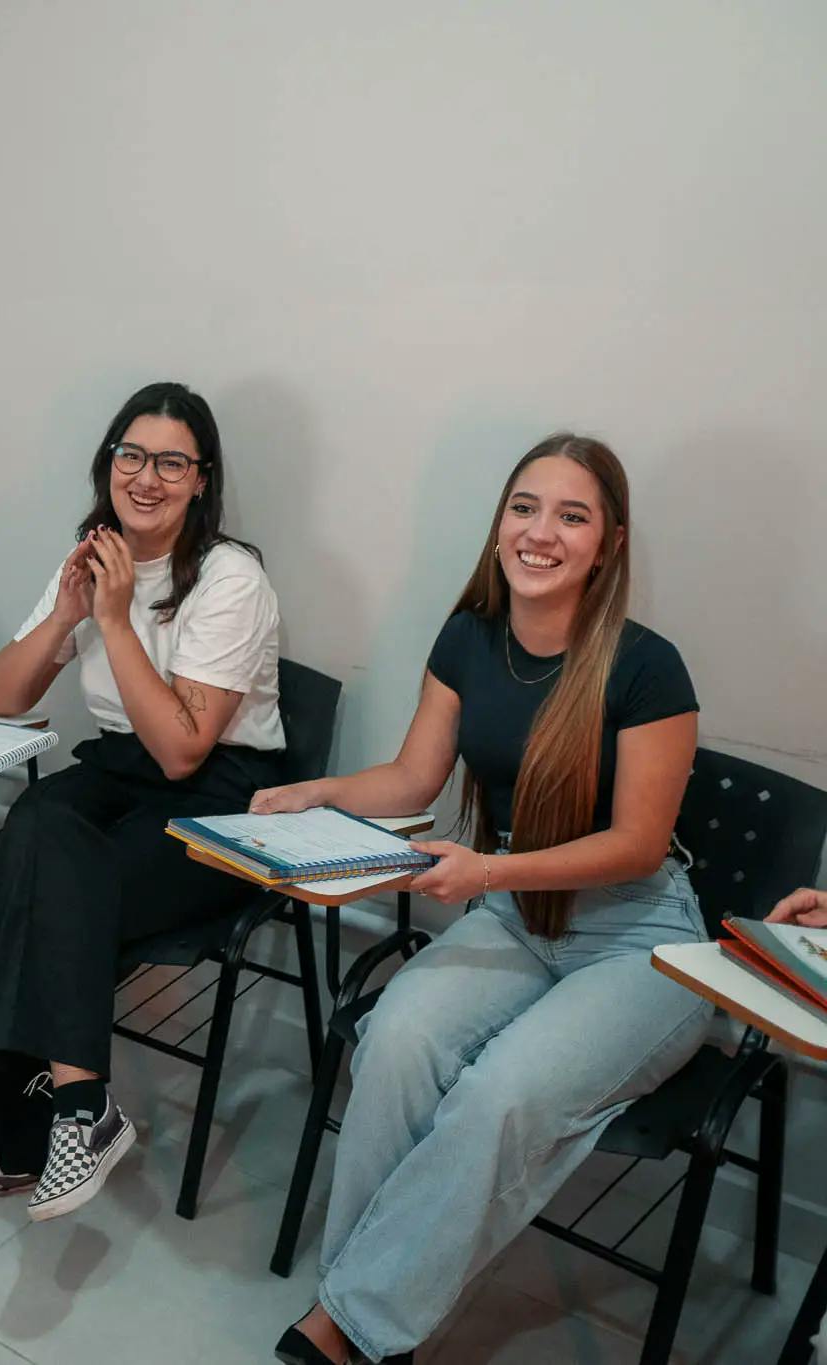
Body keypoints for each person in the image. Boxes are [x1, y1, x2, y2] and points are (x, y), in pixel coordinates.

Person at [262, 435, 711, 1365]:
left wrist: (487, 870)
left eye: (571, 515)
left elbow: (634, 842)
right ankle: (362, 1317)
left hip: (642, 939)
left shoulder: (646, 666)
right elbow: (415, 775)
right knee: (394, 1041)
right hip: (519, 915)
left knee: (501, 1093)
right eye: (524, 506)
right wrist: (316, 793)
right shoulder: (468, 636)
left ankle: (348, 1325)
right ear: (500, 521)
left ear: (609, 544)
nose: (540, 532)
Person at [0, 381, 286, 1221]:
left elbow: (186, 748)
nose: (146, 477)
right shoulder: (94, 555)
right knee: (33, 832)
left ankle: (13, 1143)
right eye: (131, 455)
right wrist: (66, 615)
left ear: (201, 479)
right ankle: (83, 1111)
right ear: (107, 463)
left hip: (222, 795)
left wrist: (114, 623)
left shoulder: (231, 577)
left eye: (171, 462)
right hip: (120, 770)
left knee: (32, 866)